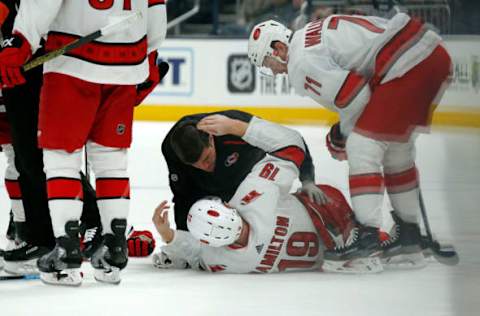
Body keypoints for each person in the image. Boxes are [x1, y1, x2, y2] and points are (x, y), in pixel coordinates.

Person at [246, 13, 451, 268]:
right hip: (432, 56)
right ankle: (408, 239)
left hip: (405, 64)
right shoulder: (312, 33)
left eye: (268, 63)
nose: (274, 72)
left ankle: (367, 240)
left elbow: (356, 97)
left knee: (362, 146)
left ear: (278, 48)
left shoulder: (300, 62)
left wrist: (343, 134)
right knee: (396, 151)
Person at [0, 0, 167, 286]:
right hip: (125, 60)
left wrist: (21, 43)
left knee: (56, 156)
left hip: (71, 60)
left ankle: (65, 247)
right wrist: (147, 58)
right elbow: (155, 17)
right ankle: (113, 246)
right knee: (111, 158)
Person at [0, 0, 103, 276]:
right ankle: (40, 238)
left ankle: (97, 221)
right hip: (15, 69)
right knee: (25, 158)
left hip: (31, 64)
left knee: (40, 156)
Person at [162, 110, 328, 232]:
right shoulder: (171, 150)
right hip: (208, 189)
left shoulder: (233, 125)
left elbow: (287, 139)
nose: (204, 167)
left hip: (250, 179)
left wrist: (307, 180)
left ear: (211, 138)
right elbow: (183, 196)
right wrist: (182, 241)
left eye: (206, 159)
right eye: (195, 165)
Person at [152, 185, 371, 273]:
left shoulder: (220, 262)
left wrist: (167, 234)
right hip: (336, 220)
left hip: (331, 257)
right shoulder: (258, 202)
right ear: (228, 208)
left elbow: (194, 252)